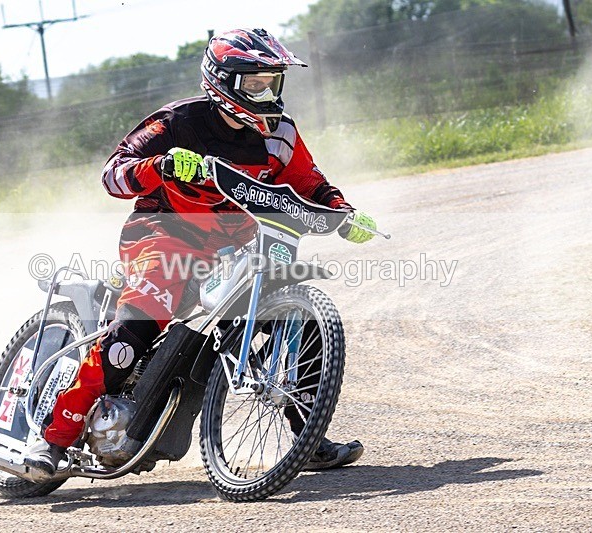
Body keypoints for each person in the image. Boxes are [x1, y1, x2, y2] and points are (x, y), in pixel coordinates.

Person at [25, 28, 378, 477]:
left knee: (297, 319)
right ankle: (51, 437)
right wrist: (163, 164)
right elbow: (113, 175)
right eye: (254, 83)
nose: (265, 91)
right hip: (162, 233)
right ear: (222, 81)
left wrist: (345, 214)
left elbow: (310, 184)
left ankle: (306, 438)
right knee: (138, 326)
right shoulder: (177, 122)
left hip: (233, 243)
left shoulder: (279, 133)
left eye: (271, 81)